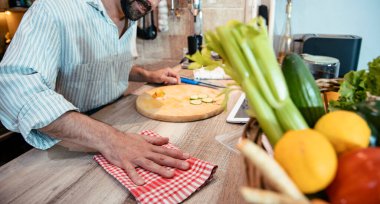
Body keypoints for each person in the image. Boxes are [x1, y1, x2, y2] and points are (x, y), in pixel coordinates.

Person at [0, 0, 190, 185]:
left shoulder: (130, 12)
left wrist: (148, 75)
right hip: (65, 144)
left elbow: (107, 65)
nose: (153, 4)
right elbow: (14, 88)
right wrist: (112, 139)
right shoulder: (53, 7)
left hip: (115, 125)